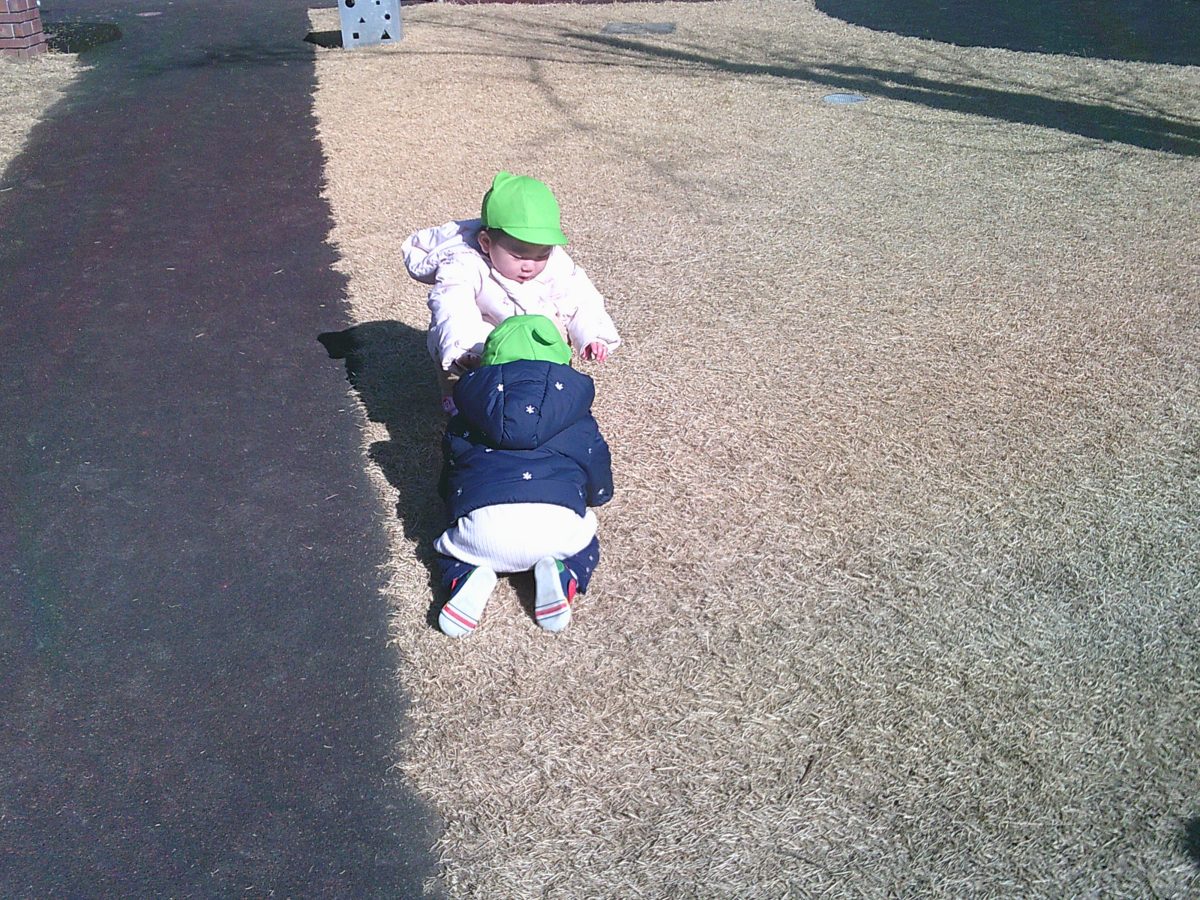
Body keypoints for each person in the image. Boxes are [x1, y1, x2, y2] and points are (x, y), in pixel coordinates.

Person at [434, 314, 614, 637]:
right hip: (556, 524)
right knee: (586, 542)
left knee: (449, 550)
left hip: (482, 525)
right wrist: (598, 495)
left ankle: (466, 575)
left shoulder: (470, 408)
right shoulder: (575, 411)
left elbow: (453, 465)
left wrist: (449, 502)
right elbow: (595, 460)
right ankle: (565, 573)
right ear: (561, 361)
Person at [402, 171, 620, 413]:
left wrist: (592, 335)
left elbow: (579, 297)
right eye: (518, 255)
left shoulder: (556, 263)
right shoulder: (463, 263)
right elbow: (453, 307)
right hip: (480, 345)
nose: (530, 265)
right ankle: (458, 398)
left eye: (541, 255)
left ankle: (548, 390)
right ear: (486, 242)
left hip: (531, 344)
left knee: (554, 330)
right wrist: (464, 350)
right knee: (466, 390)